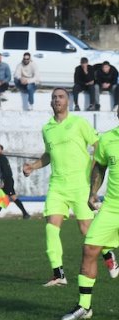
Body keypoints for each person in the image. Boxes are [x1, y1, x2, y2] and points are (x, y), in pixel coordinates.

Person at [23, 88, 99, 286]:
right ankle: (58, 274)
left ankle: (109, 255)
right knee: (51, 227)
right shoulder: (47, 128)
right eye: (54, 97)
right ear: (51, 102)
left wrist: (93, 172)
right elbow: (48, 155)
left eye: (61, 97)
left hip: (80, 185)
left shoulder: (79, 123)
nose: (57, 100)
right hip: (57, 186)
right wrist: (33, 166)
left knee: (87, 231)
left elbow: (98, 146)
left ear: (69, 102)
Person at [64, 107, 119, 320]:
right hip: (111, 207)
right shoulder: (107, 139)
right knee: (89, 249)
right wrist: (93, 192)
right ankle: (84, 307)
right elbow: (100, 167)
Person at [0, 144, 30, 219]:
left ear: (2, 150)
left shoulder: (2, 158)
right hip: (8, 180)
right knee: (1, 197)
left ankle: (25, 214)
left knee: (13, 197)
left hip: (7, 181)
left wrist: (3, 181)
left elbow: (6, 171)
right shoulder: (1, 158)